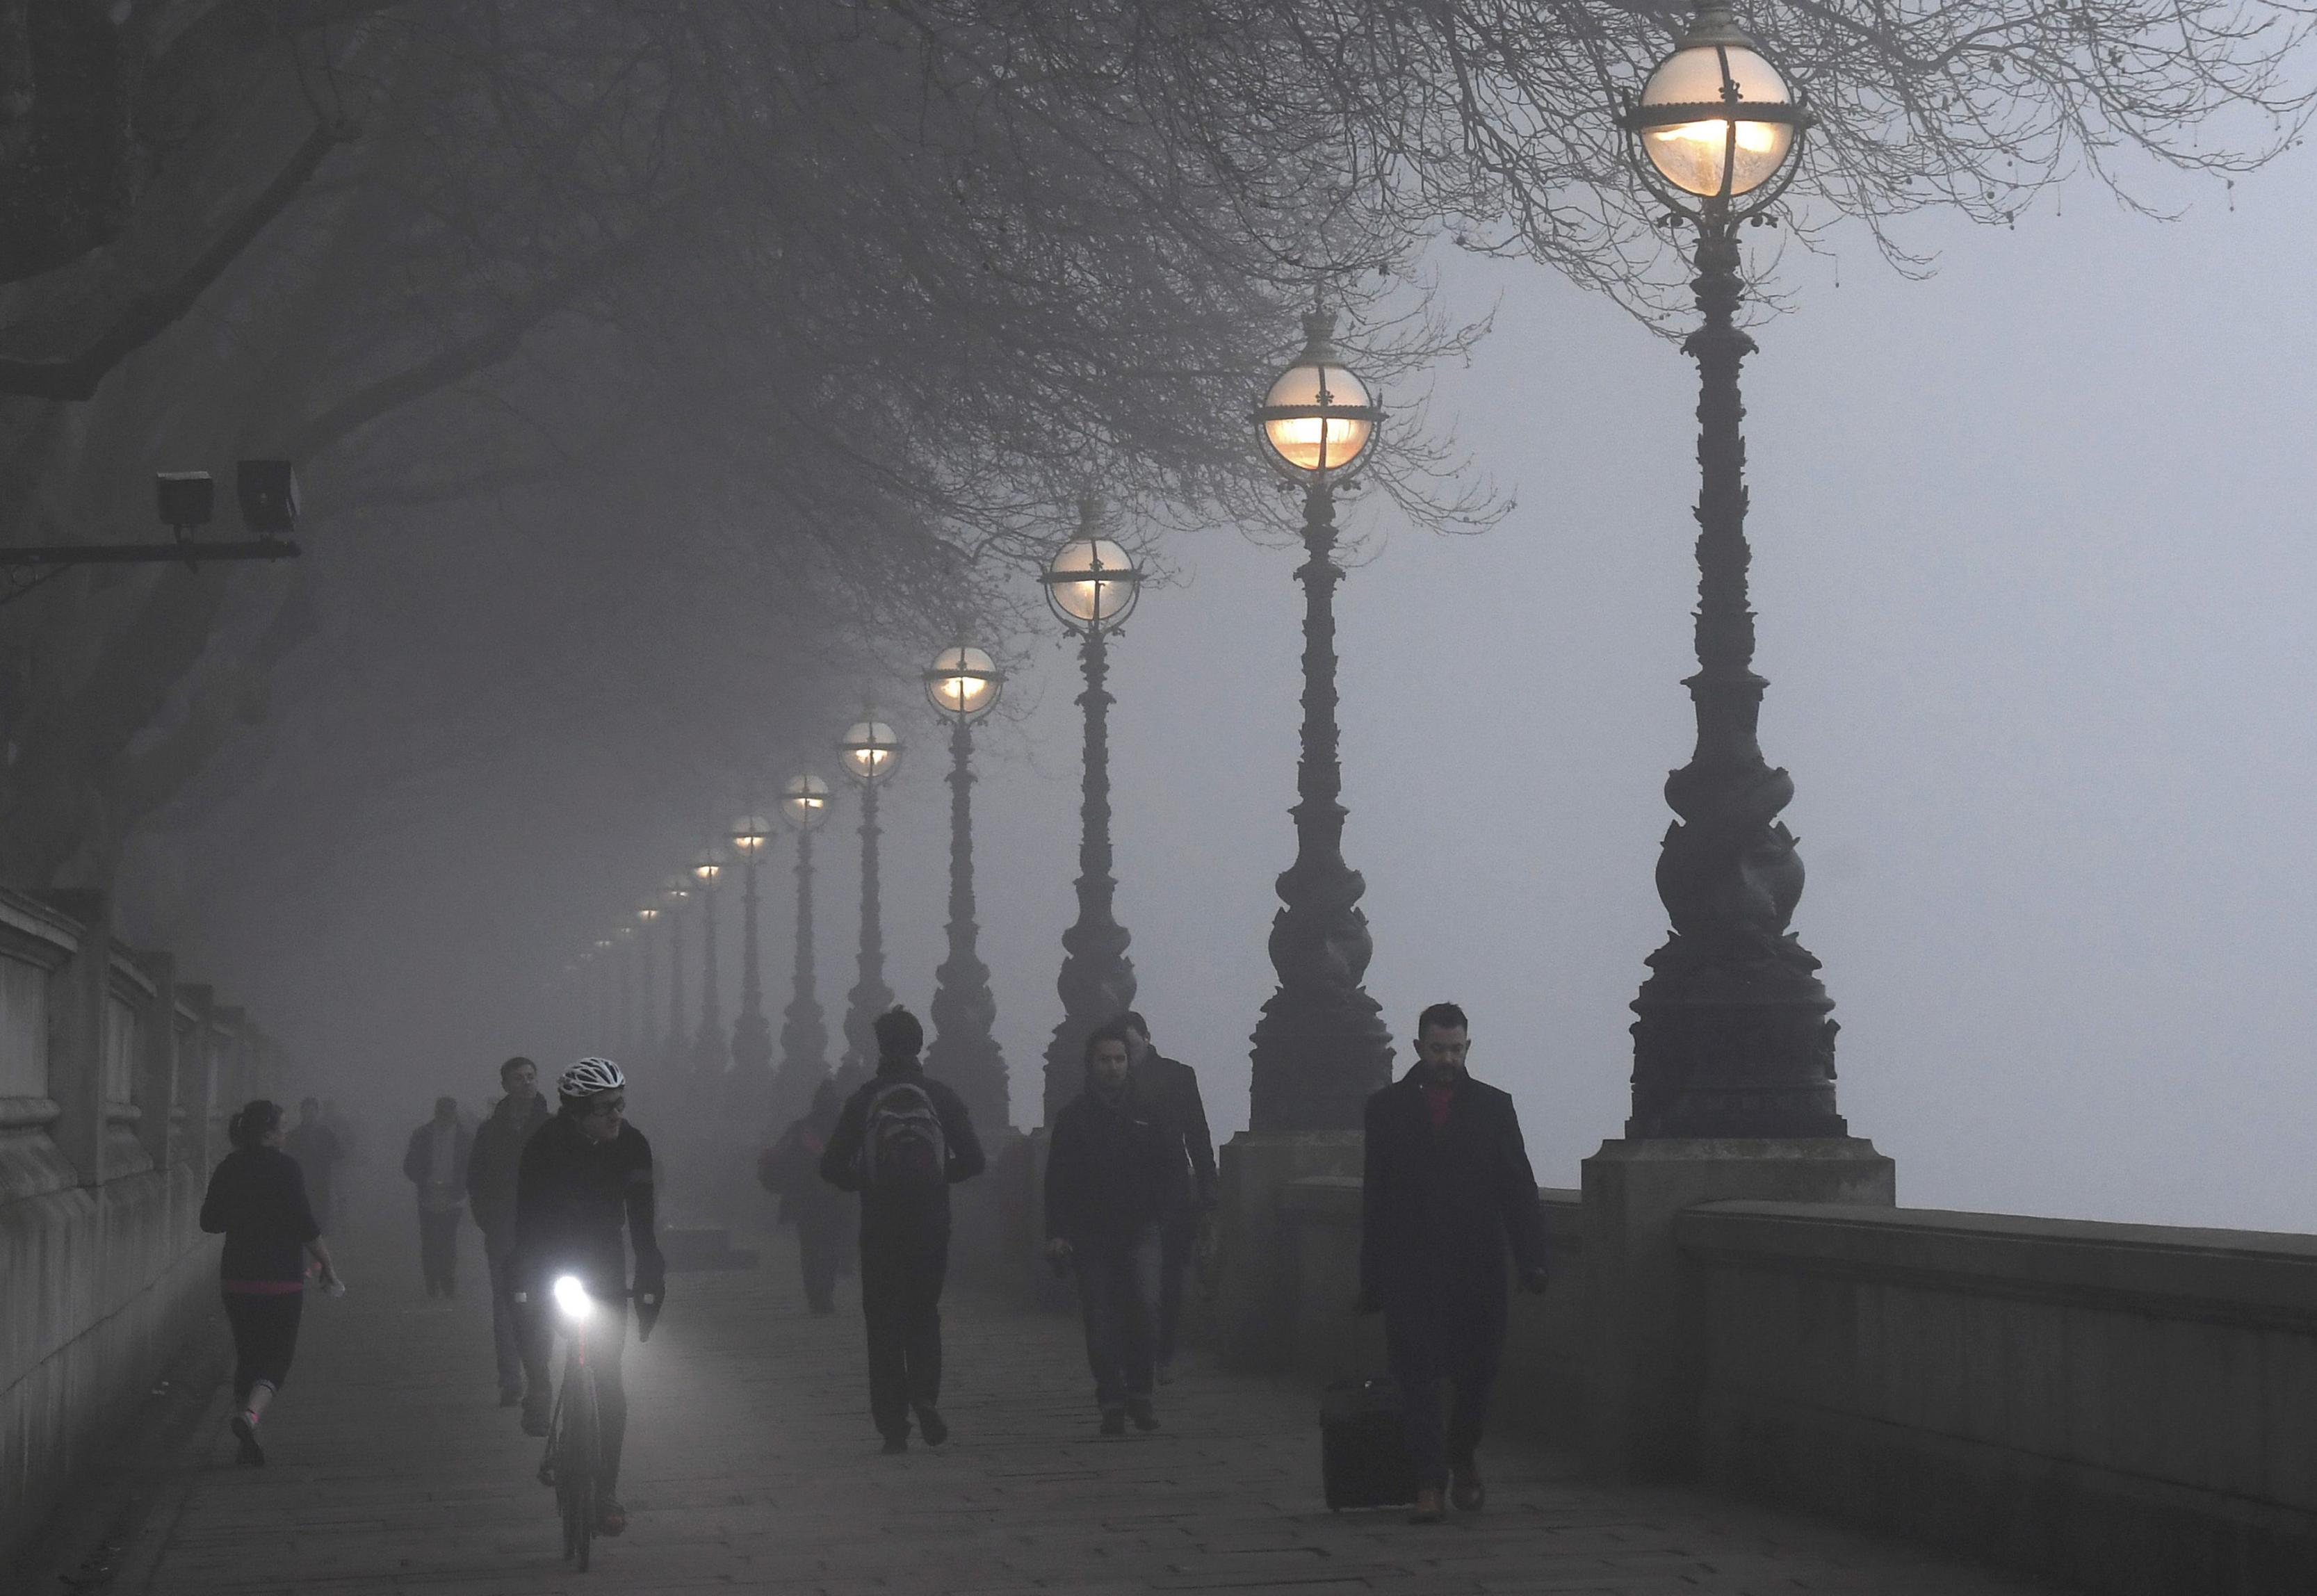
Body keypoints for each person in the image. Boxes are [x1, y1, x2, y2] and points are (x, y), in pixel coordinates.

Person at [1357, 1002, 1549, 1524]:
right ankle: (1427, 1483)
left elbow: (1517, 1188)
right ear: (1419, 1048)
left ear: (1468, 1048)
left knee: (1477, 1375)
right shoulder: (1386, 1109)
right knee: (1415, 1378)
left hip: (1478, 1268)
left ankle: (1461, 1453)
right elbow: (1376, 1197)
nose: (1447, 1059)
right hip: (1410, 1268)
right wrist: (1370, 1277)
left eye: (1456, 1049)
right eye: (1438, 1049)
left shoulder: (1493, 1107)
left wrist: (1532, 1258)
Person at [510, 1057, 666, 1538]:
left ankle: (603, 1492)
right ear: (576, 1114)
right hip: (551, 1252)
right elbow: (526, 1222)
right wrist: (522, 1276)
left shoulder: (633, 1145)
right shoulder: (545, 1146)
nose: (616, 1116)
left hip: (603, 1259)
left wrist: (650, 1275)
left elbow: (643, 1222)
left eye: (619, 1105)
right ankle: (537, 1384)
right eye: (603, 1109)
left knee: (610, 1380)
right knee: (519, 1293)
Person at [820, 1006, 985, 1454]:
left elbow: (830, 1165)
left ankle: (893, 1425)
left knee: (884, 1323)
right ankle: (926, 1397)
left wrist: (867, 1181)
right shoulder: (940, 1096)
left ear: (880, 1046)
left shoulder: (865, 1097)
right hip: (931, 1225)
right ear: (919, 1043)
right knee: (923, 1314)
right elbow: (975, 1161)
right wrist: (936, 1178)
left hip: (881, 1227)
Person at [1045, 1022, 1178, 1435]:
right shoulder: (1073, 1119)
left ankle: (1140, 1393)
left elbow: (1171, 1170)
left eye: (1120, 1059)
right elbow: (1058, 1182)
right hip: (1091, 1235)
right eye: (1105, 1060)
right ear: (1091, 1065)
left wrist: (1170, 1218)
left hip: (1142, 1228)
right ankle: (1112, 1398)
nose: (1113, 1068)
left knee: (1145, 1309)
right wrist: (1058, 1232)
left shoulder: (1149, 1114)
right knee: (1100, 1321)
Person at [199, 1099, 341, 1467]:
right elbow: (304, 1223)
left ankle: (249, 1440)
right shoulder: (286, 1168)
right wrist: (326, 1263)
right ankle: (250, 1418)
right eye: (281, 1127)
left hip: (237, 1278)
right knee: (277, 1359)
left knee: (247, 1356)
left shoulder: (229, 1167)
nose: (286, 1133)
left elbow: (209, 1221)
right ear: (267, 1133)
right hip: (280, 1278)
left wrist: (243, 1211)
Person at [1119, 1011, 1215, 1383]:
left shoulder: (1178, 1076)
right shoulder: (1111, 1080)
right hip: (1125, 1196)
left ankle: (1163, 1354)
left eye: (1130, 1045)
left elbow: (1198, 1134)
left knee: (1170, 1277)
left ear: (1146, 1037)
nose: (1125, 1054)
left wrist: (1208, 1185)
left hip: (1170, 1193)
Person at [466, 1056, 553, 1406]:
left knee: (544, 1302)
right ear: (505, 1085)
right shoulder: (490, 1131)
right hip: (502, 1230)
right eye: (519, 1078)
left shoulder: (552, 1128)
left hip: (543, 1232)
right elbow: (476, 1181)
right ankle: (510, 1378)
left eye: (531, 1077)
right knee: (506, 1305)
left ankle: (538, 1375)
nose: (527, 1083)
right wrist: (488, 1219)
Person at [759, 1077, 852, 1314]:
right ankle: (825, 1293)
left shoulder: (800, 1129)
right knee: (831, 1247)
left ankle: (816, 1295)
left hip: (806, 1199)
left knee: (811, 1249)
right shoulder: (847, 1129)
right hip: (836, 1198)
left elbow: (776, 1157)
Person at [403, 1096, 473, 1297]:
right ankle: (433, 1283)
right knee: (431, 1241)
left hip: (454, 1197)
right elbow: (409, 1166)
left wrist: (458, 1186)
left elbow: (470, 1167)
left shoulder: (465, 1138)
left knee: (447, 1241)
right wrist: (424, 1181)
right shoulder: (423, 1135)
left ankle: (446, 1280)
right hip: (428, 1195)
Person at [282, 1097, 345, 1234]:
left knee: (321, 1212)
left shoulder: (326, 1133)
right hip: (301, 1180)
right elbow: (287, 1157)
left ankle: (318, 1239)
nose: (309, 1114)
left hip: (321, 1180)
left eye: (312, 1111)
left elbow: (339, 1153)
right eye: (306, 1111)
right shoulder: (294, 1135)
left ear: (317, 1112)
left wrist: (325, 1156)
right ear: (301, 1112)